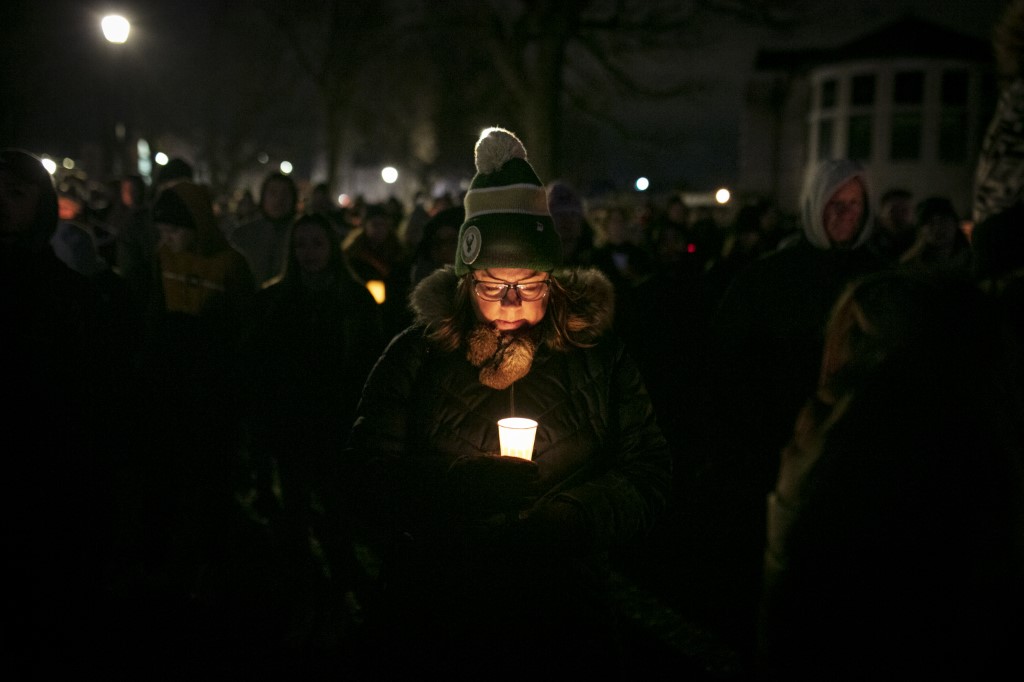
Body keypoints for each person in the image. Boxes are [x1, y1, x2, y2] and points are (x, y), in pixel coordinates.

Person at [340, 127, 672, 678]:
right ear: (467, 279)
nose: (512, 303)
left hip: (562, 609)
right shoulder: (418, 356)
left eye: (531, 284)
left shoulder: (597, 356)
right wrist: (450, 487)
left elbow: (650, 471)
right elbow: (363, 473)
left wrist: (575, 517)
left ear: (555, 280)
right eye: (495, 285)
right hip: (438, 603)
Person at [757, 270, 1024, 679]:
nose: (842, 358)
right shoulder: (986, 436)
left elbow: (802, 610)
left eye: (860, 339)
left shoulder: (854, 451)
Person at [696, 158, 886, 663]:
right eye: (835, 205)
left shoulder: (881, 279)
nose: (844, 216)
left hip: (850, 461)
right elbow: (726, 365)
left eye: (854, 206)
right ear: (814, 206)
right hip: (768, 452)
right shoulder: (769, 278)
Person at [2, 148, 123, 674]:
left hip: (46, 486)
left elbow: (91, 406)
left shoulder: (71, 298)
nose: (0, 205)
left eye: (15, 193)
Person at [241, 211, 386, 649]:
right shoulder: (274, 301)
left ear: (331, 248)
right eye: (300, 245)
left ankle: (344, 598)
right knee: (295, 518)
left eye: (317, 244)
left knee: (339, 516)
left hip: (338, 426)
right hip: (291, 428)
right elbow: (260, 370)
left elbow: (369, 367)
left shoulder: (355, 301)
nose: (308, 254)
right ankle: (306, 597)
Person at [229, 171, 299, 288]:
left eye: (285, 194)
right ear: (263, 197)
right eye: (273, 193)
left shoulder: (302, 235)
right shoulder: (243, 235)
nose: (279, 200)